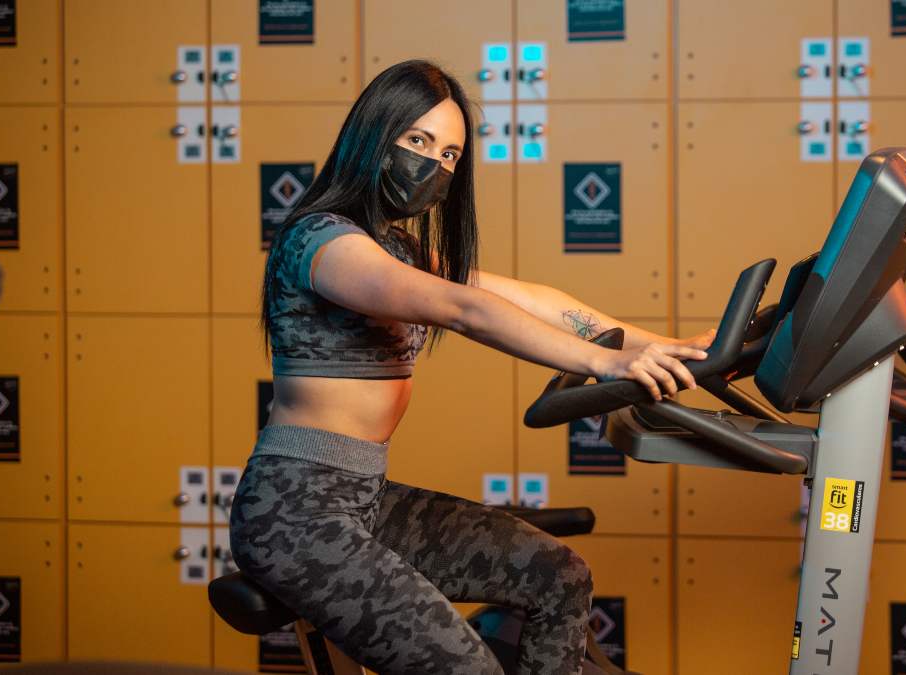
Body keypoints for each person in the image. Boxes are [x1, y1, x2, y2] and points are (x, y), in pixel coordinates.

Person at [229, 59, 713, 675]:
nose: (435, 165)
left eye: (451, 154)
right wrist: (605, 360)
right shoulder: (321, 242)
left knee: (557, 576)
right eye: (418, 141)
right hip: (295, 512)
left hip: (366, 498)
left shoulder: (395, 245)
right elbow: (463, 308)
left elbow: (532, 299)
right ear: (374, 136)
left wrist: (668, 345)